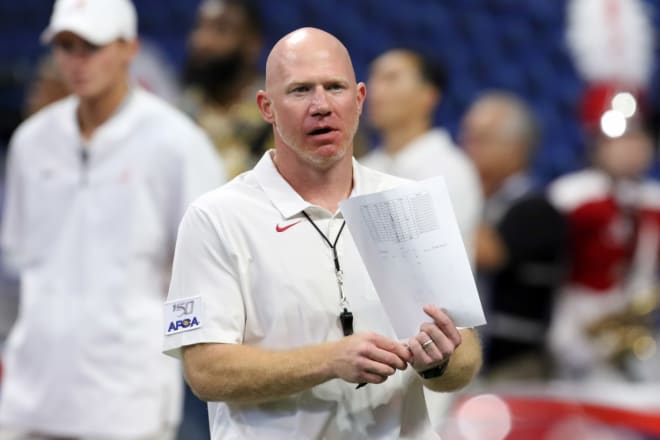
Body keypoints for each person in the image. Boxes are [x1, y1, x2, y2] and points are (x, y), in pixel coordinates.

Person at [163, 27, 482, 439]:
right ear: (267, 107)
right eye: (300, 90)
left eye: (335, 87)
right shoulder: (217, 217)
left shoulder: (405, 203)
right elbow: (204, 370)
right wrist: (331, 360)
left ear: (360, 99)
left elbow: (466, 357)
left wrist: (438, 362)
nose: (321, 105)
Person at [0, 0, 225, 438]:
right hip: (31, 390)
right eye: (66, 46)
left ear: (128, 49)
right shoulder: (32, 142)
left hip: (127, 393)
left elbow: (205, 272)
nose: (77, 61)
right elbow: (19, 258)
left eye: (92, 46)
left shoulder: (178, 144)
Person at [461, 92, 567, 380]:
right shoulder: (482, 202)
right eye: (468, 137)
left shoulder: (537, 209)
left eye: (481, 139)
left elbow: (488, 254)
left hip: (514, 367)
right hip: (474, 359)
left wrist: (457, 194)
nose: (468, 148)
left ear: (516, 148)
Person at [548, 109, 660, 380]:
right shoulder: (571, 194)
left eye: (638, 140)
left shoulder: (653, 200)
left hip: (635, 316)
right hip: (579, 315)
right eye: (619, 141)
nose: (630, 150)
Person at [361, 49, 482, 261]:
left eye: (391, 78)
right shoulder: (363, 167)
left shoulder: (448, 170)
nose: (375, 90)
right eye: (373, 79)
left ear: (428, 95)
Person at [180, 0, 270, 179]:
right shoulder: (182, 113)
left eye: (221, 30)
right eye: (200, 27)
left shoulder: (277, 114)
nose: (203, 41)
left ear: (253, 44)